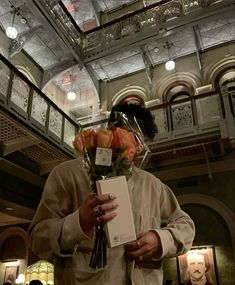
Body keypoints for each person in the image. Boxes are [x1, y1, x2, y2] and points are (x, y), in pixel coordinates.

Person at [28, 102, 195, 285]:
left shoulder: (153, 185)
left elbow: (186, 226)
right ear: (110, 129)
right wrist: (79, 223)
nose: (137, 149)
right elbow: (37, 240)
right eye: (134, 139)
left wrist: (160, 239)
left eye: (142, 143)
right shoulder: (67, 175)